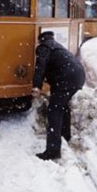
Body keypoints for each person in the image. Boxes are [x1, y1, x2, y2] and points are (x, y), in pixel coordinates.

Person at [32, 31, 85, 161]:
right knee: (62, 106)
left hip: (66, 78)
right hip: (78, 75)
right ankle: (65, 134)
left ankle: (53, 151)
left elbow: (40, 67)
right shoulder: (57, 46)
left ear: (40, 40)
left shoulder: (44, 47)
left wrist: (36, 86)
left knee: (54, 111)